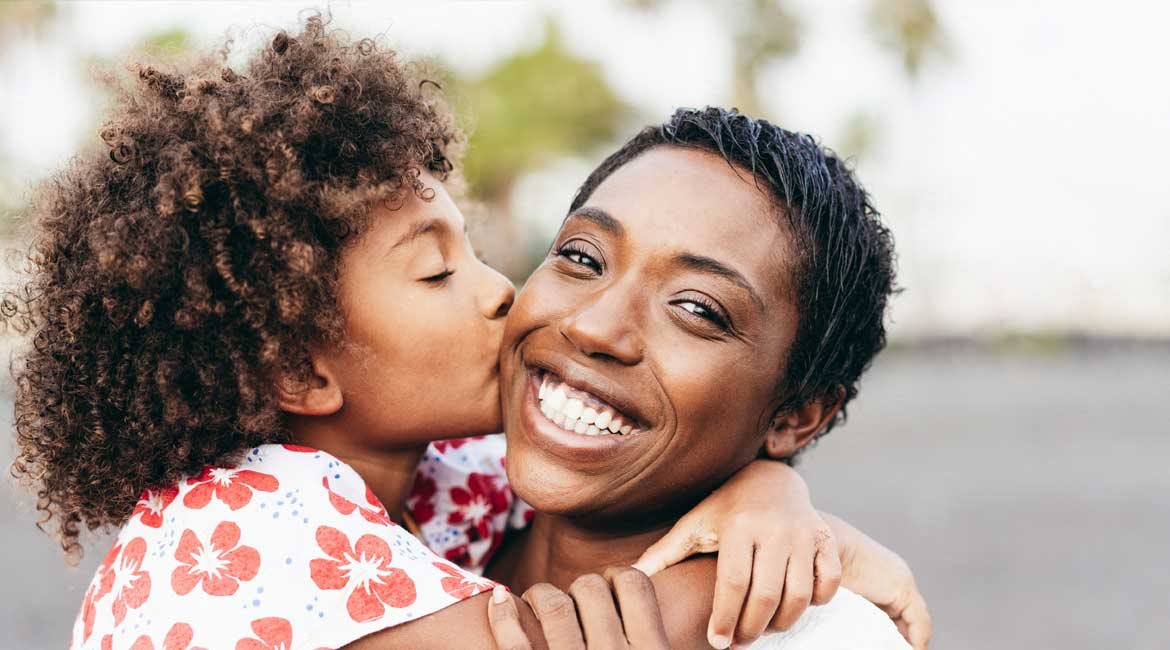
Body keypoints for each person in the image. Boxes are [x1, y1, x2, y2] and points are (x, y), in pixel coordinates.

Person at [1, 17, 924, 650]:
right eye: (438, 272)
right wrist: (791, 573)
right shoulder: (244, 510)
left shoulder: (443, 486)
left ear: (801, 411)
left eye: (697, 307)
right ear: (298, 368)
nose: (507, 298)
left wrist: (776, 498)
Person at [484, 107, 926, 648]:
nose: (594, 327)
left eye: (697, 309)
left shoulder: (831, 639)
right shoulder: (415, 512)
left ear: (797, 416)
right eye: (583, 257)